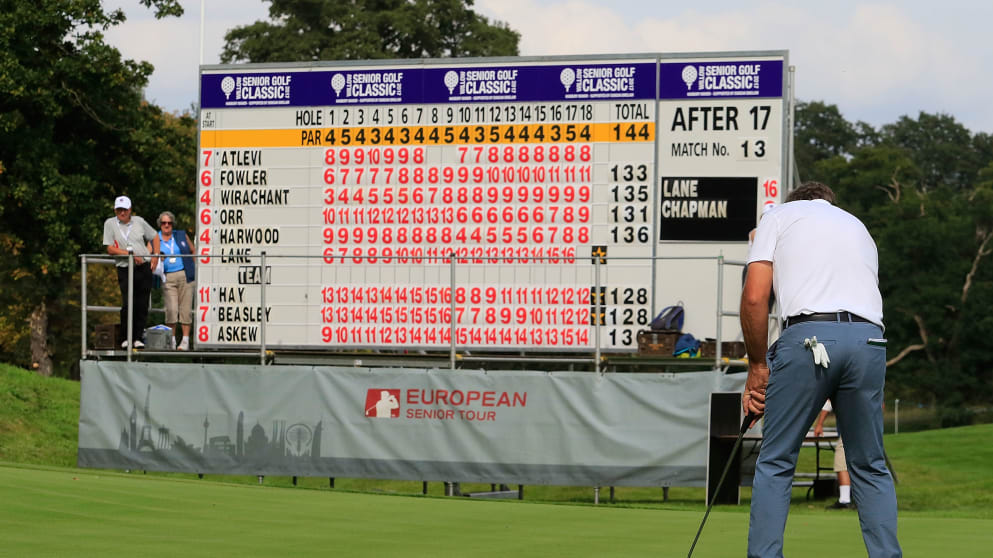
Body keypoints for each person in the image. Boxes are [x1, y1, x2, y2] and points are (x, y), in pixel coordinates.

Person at [740, 182, 900, 558]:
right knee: (870, 465)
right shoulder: (858, 225)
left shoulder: (777, 216)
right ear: (830, 203)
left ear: (794, 202)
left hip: (809, 338)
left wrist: (758, 365)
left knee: (777, 460)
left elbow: (754, 297)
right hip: (870, 340)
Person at [103, 196, 159, 349]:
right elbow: (109, 248)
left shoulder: (139, 221)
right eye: (119, 210)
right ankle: (126, 336)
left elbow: (154, 236)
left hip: (144, 267)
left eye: (125, 210)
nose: (122, 213)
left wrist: (156, 255)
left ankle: (138, 337)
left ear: (130, 210)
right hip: (125, 267)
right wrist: (130, 254)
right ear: (115, 210)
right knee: (128, 303)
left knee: (142, 303)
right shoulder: (110, 223)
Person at [156, 211, 196, 350]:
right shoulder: (156, 238)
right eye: (164, 223)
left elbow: (192, 250)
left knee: (186, 308)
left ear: (172, 224)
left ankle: (185, 341)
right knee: (171, 309)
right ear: (160, 224)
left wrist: (193, 266)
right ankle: (171, 340)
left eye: (169, 223)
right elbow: (147, 255)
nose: (166, 225)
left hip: (185, 275)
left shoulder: (181, 235)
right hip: (168, 277)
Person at [813, 399, 853, 509]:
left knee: (841, 463)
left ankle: (845, 500)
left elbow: (829, 402)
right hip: (867, 429)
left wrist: (819, 424)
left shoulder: (842, 384)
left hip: (849, 430)